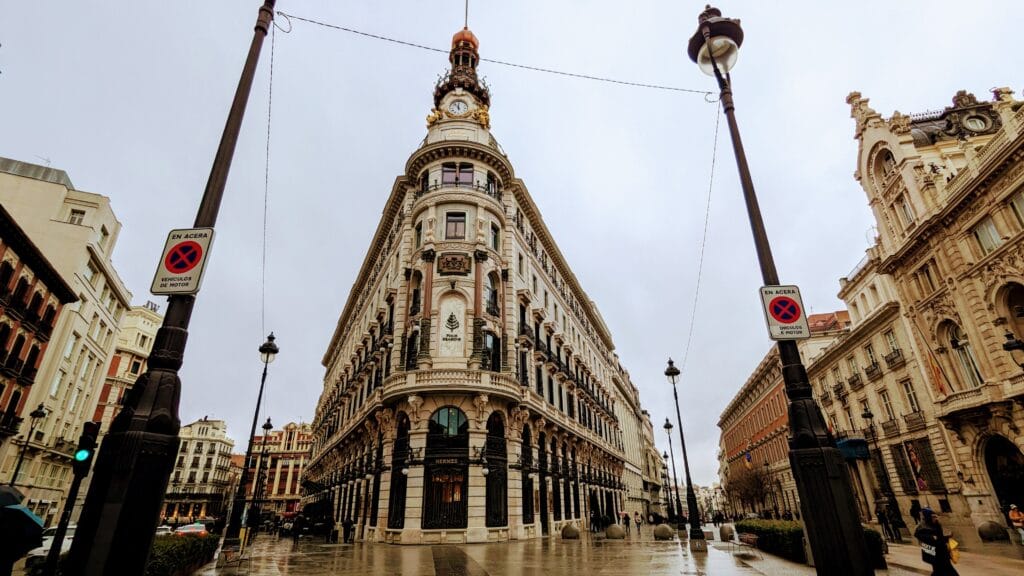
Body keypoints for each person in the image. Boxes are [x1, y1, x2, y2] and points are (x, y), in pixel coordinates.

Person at [914, 507, 958, 576]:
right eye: (933, 517)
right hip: (934, 554)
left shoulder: (937, 525)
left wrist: (947, 537)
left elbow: (939, 538)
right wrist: (932, 537)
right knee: (943, 570)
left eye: (936, 516)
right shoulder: (922, 527)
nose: (936, 518)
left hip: (942, 552)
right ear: (928, 517)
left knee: (942, 570)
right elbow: (919, 536)